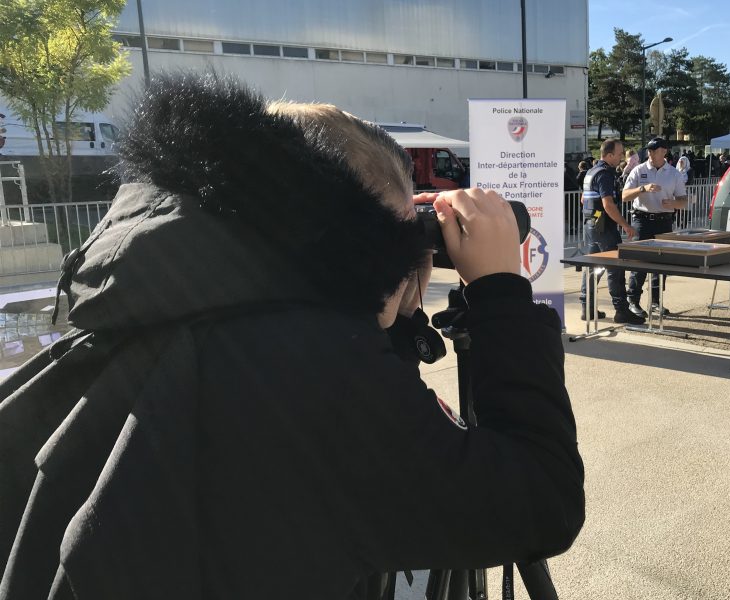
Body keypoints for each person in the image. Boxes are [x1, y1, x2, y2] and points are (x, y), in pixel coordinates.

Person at [0, 72, 585, 599]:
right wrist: (502, 292)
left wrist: (386, 317)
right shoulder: (318, 380)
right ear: (358, 236)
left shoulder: (154, 301)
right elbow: (541, 500)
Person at [621, 137, 688, 318]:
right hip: (642, 220)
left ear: (664, 152)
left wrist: (673, 203)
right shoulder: (639, 170)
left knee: (662, 263)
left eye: (654, 150)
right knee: (640, 262)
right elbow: (625, 196)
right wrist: (642, 189)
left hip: (664, 221)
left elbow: (683, 200)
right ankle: (633, 301)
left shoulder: (674, 174)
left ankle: (656, 302)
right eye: (649, 150)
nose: (650, 154)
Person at [579, 139, 643, 324]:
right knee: (615, 268)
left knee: (592, 268)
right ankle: (621, 310)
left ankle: (587, 307)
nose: (621, 157)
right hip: (604, 227)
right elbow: (608, 204)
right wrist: (625, 224)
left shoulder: (591, 171)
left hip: (591, 224)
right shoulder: (605, 174)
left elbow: (584, 199)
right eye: (619, 154)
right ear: (608, 156)